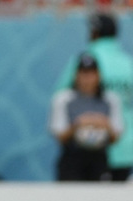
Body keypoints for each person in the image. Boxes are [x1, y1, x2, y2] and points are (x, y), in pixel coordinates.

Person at [55, 13, 133, 181]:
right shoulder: (128, 63)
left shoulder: (84, 60)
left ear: (94, 32)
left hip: (90, 148)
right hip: (126, 146)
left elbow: (61, 96)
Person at [49, 52, 124, 181]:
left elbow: (116, 137)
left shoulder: (110, 99)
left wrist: (105, 125)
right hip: (72, 160)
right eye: (83, 73)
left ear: (98, 75)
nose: (87, 78)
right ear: (76, 75)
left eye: (91, 73)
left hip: (99, 159)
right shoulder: (63, 99)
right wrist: (78, 125)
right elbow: (60, 137)